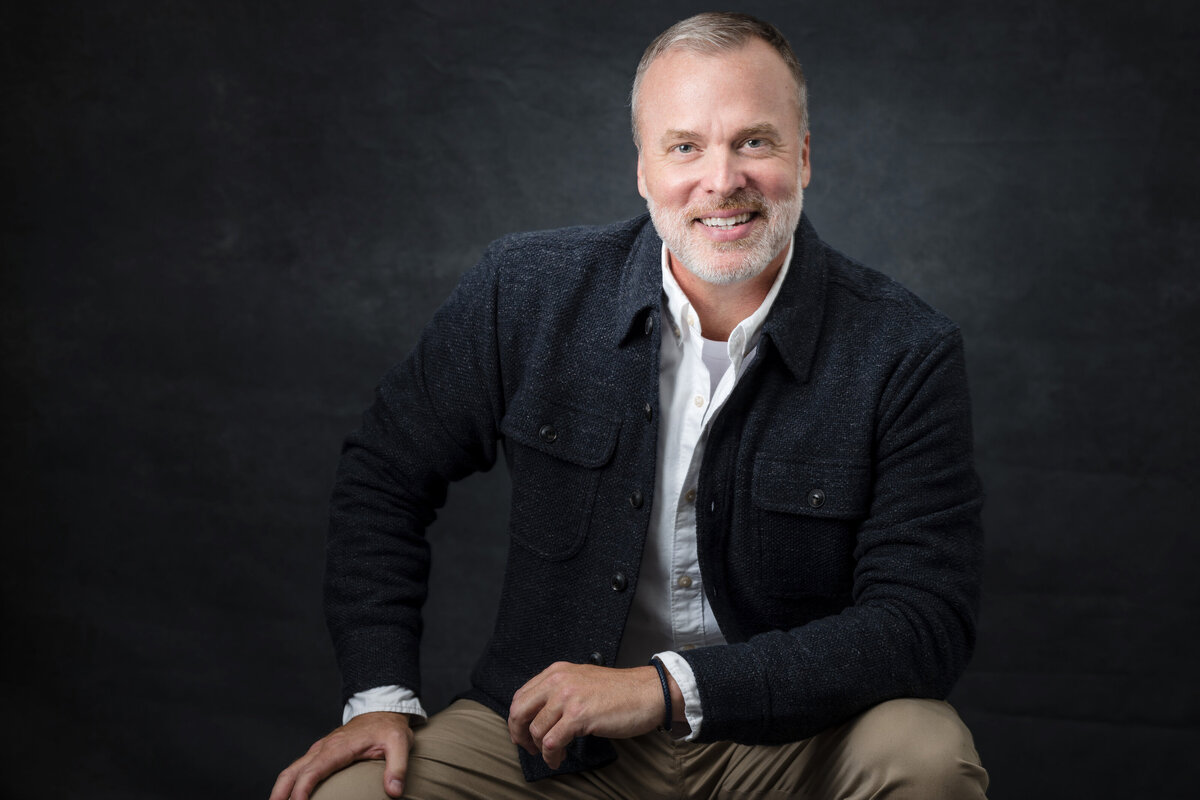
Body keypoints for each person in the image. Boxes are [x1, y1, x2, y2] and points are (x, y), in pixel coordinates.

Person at [271, 11, 989, 800]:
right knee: (346, 797)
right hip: (547, 743)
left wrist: (665, 687)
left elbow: (922, 621)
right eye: (685, 146)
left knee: (927, 753)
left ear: (805, 156)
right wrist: (380, 695)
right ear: (643, 169)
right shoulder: (525, 291)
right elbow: (384, 475)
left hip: (791, 743)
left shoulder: (904, 348)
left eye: (755, 141)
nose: (721, 180)